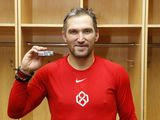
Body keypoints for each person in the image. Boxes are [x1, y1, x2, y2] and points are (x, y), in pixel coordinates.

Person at [8, 8, 137, 120]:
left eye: (87, 31)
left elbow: (129, 118)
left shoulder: (117, 73)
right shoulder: (47, 73)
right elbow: (15, 112)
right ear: (64, 36)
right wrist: (23, 72)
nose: (80, 39)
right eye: (73, 32)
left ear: (96, 35)